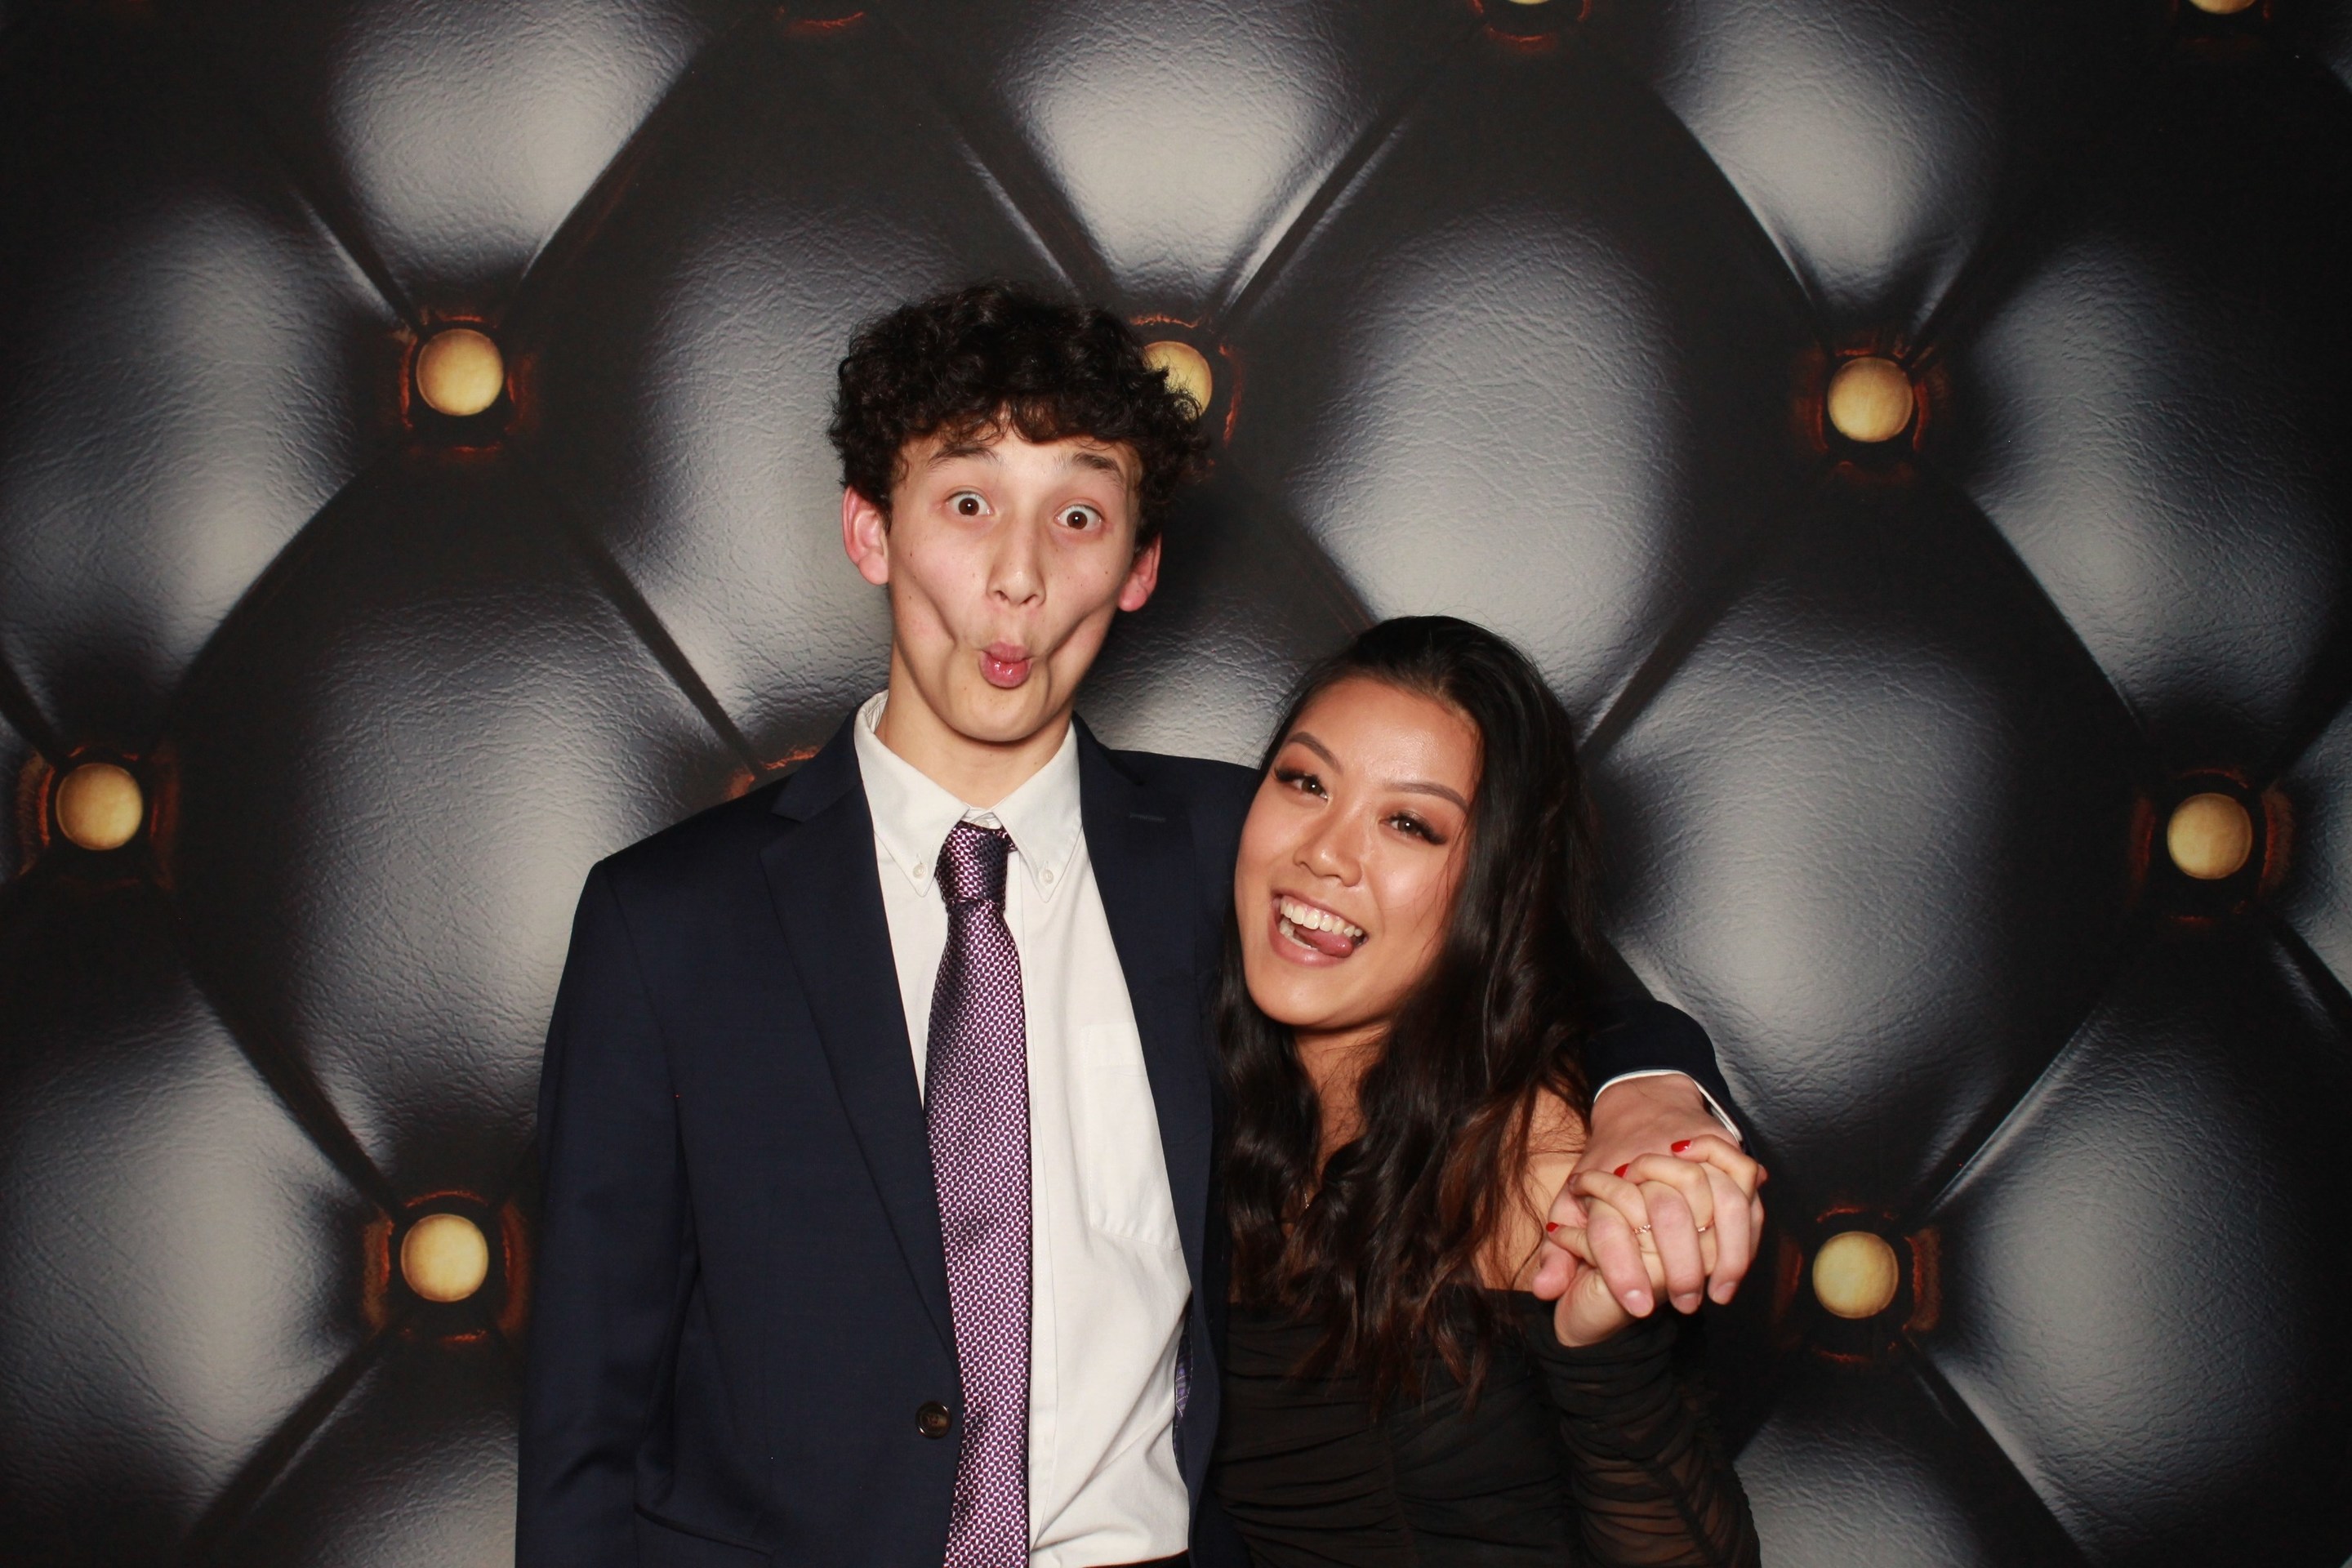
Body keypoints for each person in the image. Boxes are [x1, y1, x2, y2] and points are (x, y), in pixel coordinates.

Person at [516, 284, 1754, 1568]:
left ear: (1139, 567)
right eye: (968, 503)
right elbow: (583, 1424)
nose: (1018, 576)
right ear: (870, 529)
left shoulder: (1248, 853)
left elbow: (1532, 962)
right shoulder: (667, 923)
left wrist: (1648, 1097)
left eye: (1079, 516)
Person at [1212, 617, 1762, 1567]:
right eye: (1305, 782)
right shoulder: (1199, 1078)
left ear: (1494, 888)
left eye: (1409, 825)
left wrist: (1607, 1362)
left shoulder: (1533, 1161)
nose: (1327, 853)